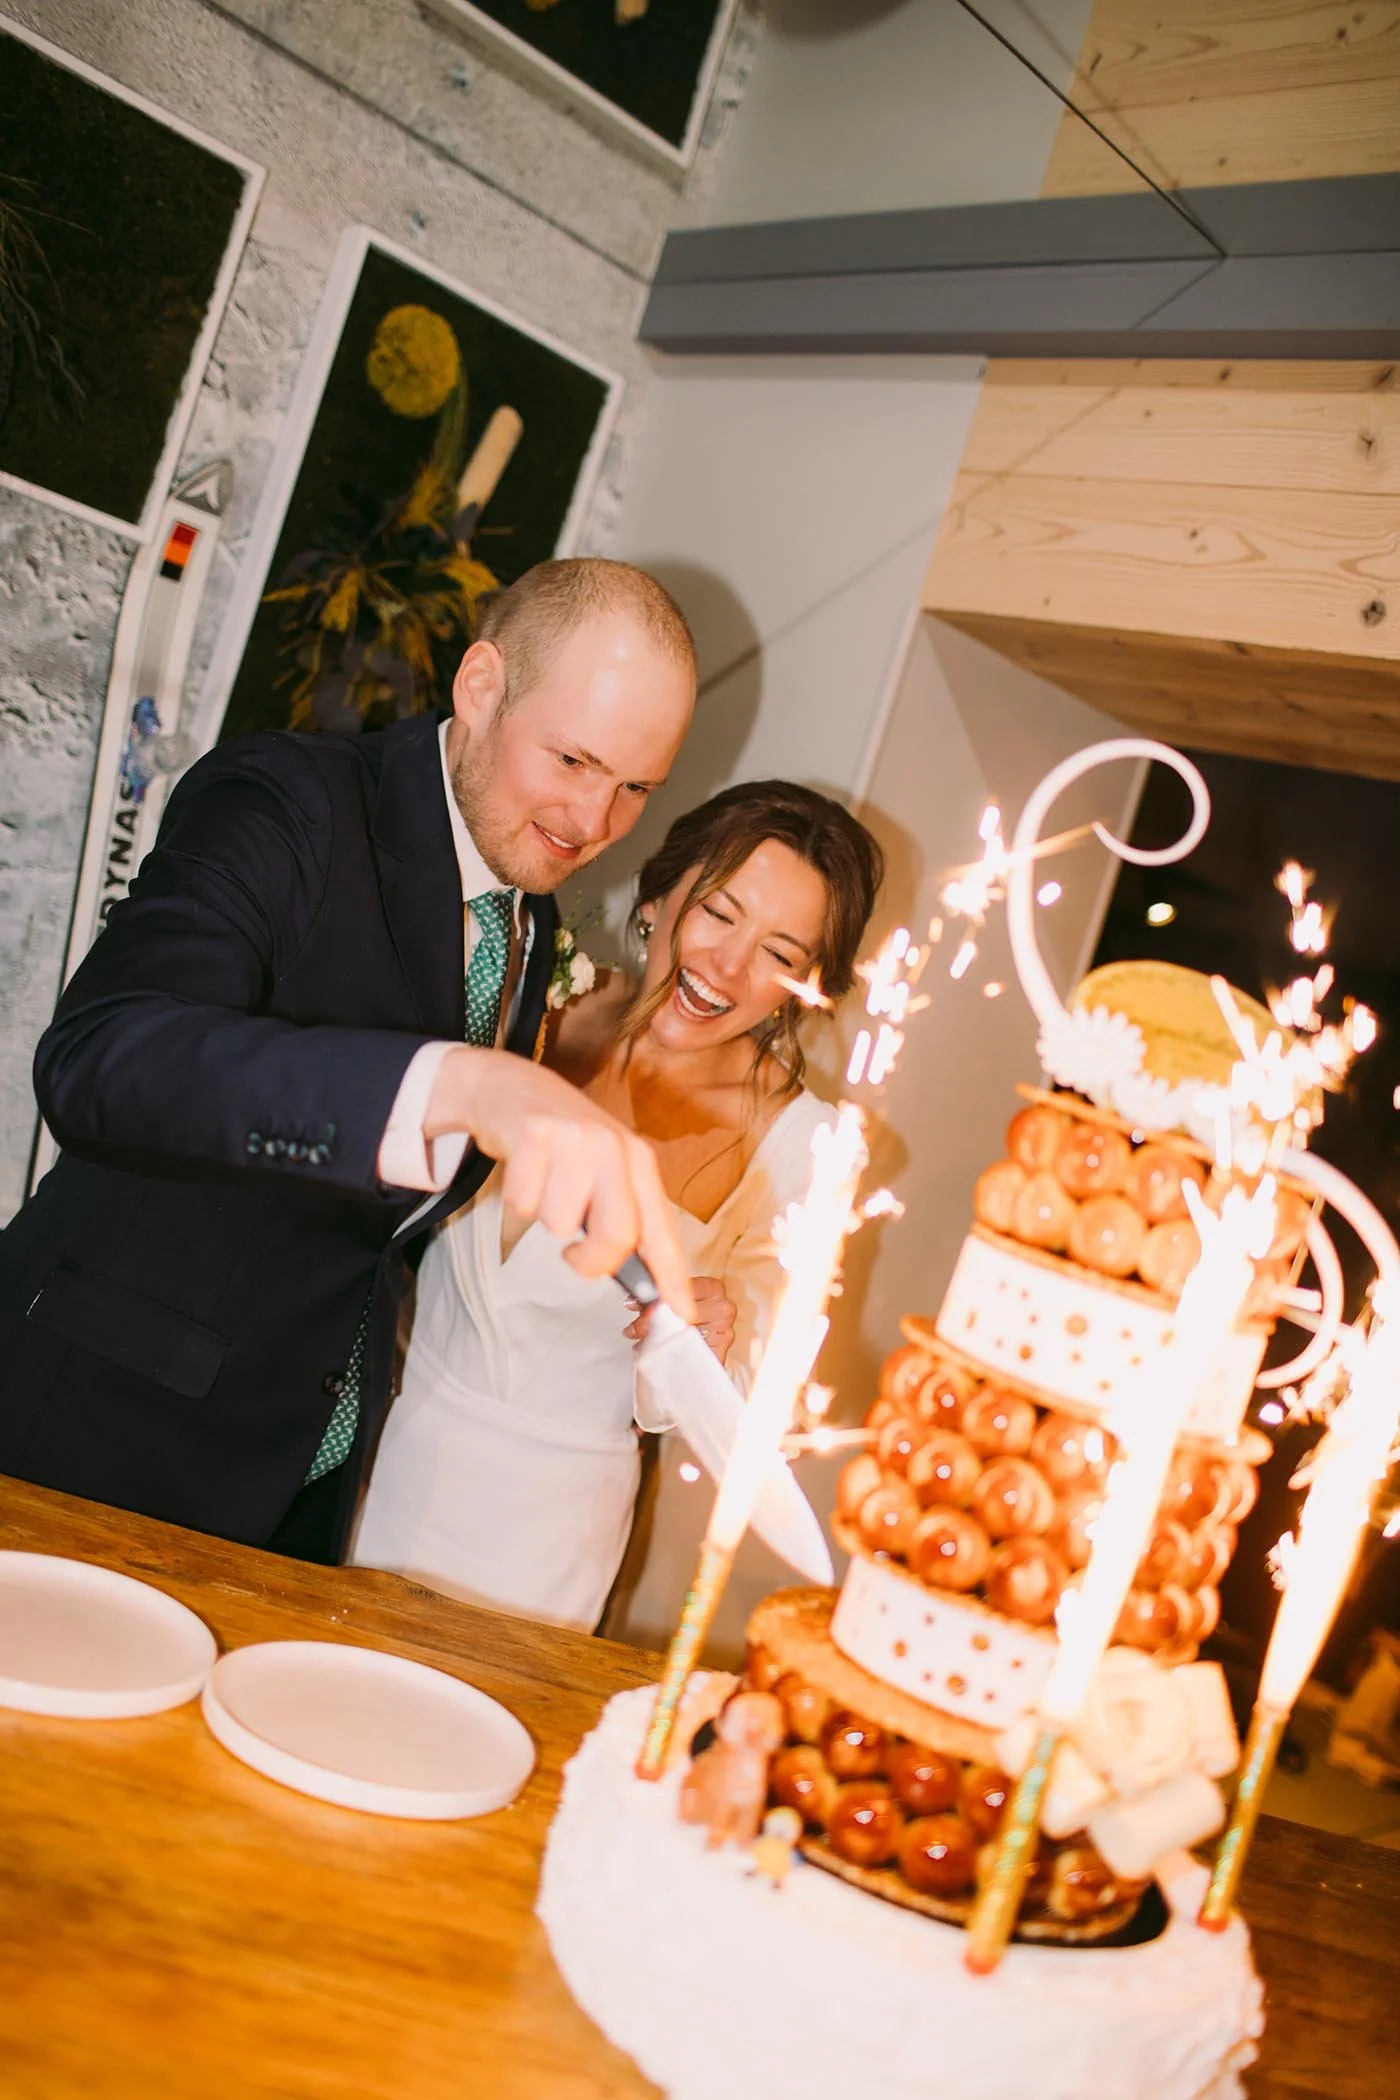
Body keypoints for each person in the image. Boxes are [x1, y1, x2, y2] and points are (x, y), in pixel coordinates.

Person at [0, 559, 699, 1564]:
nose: (593, 824)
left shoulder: (530, 922)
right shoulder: (286, 799)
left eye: (636, 788)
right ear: (480, 686)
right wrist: (458, 1082)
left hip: (298, 1487)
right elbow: (101, 1057)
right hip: (93, 1440)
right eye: (573, 762)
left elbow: (385, 1227)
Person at [351, 781, 884, 1630]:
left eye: (781, 953)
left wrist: (718, 1335)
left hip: (541, 1541)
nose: (728, 967)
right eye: (718, 914)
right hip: (374, 1454)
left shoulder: (806, 1147)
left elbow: (743, 1395)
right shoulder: (537, 999)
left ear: (807, 986)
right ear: (657, 897)